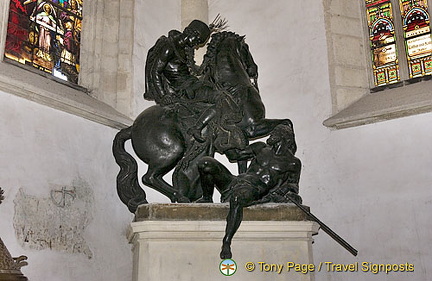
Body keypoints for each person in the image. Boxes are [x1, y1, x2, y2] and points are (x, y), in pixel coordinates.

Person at [196, 124, 302, 259]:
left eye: (275, 132)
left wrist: (284, 191)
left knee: (237, 198)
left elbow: (293, 187)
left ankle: (226, 242)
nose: (271, 135)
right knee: (206, 163)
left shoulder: (292, 163)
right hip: (235, 181)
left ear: (284, 138)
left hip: (253, 190)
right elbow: (236, 155)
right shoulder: (260, 148)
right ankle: (207, 197)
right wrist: (224, 140)